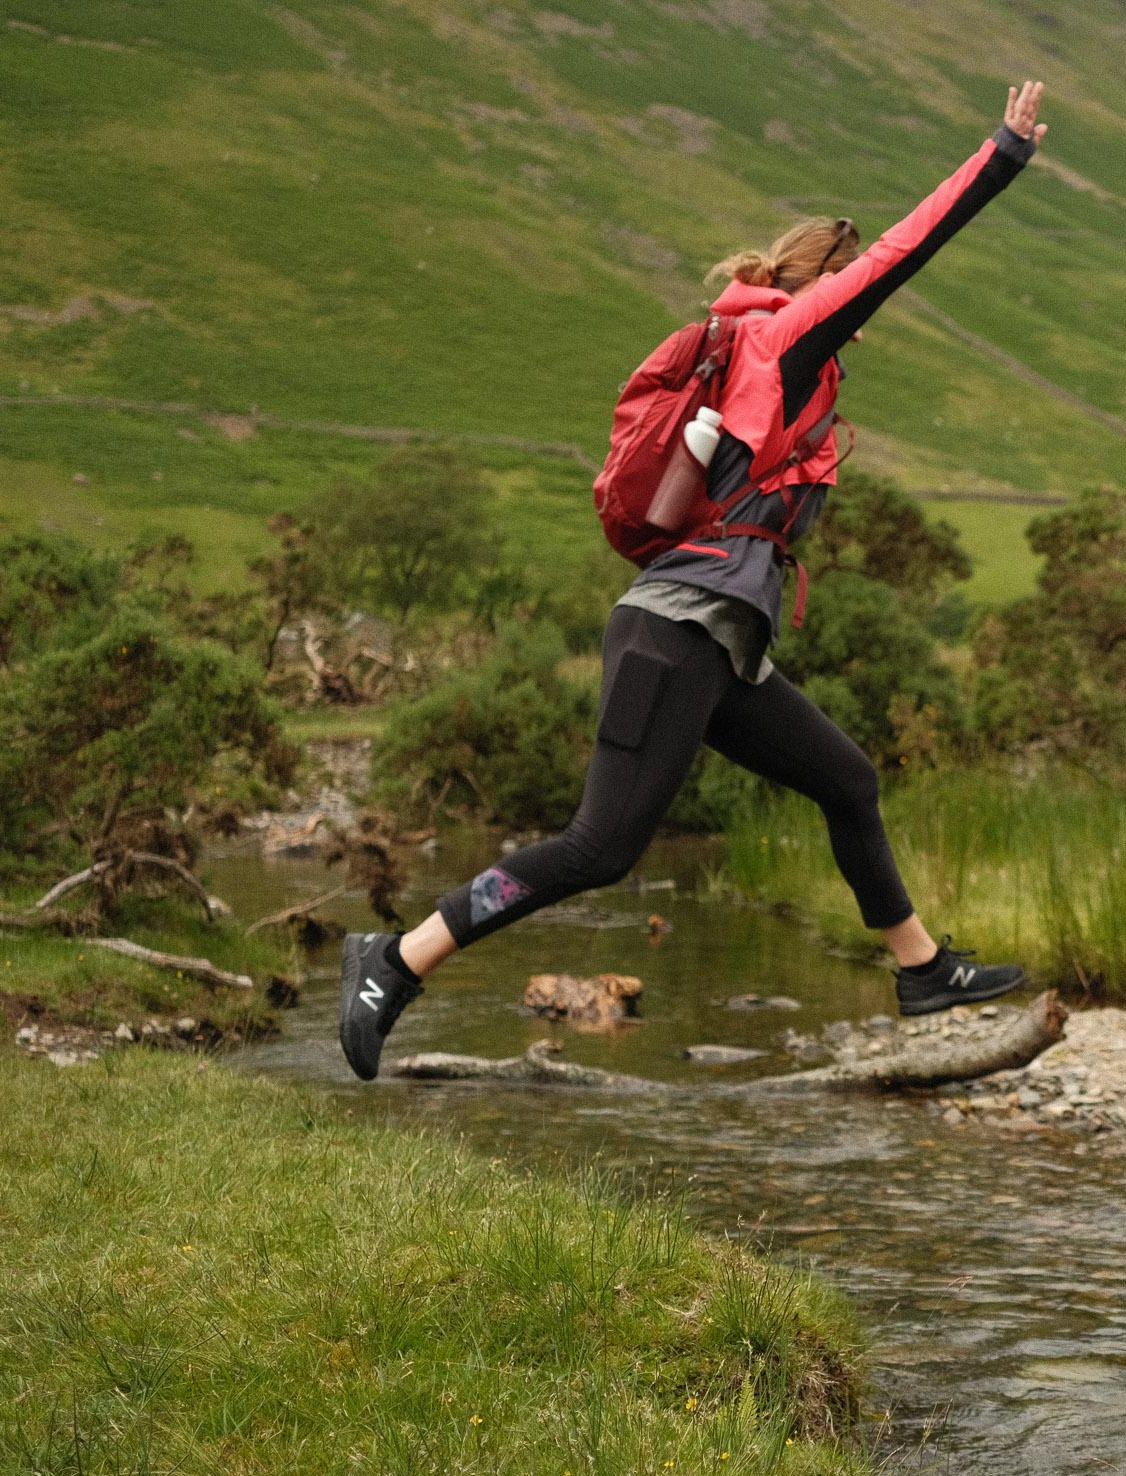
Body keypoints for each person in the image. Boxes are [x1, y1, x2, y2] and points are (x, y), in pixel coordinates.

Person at [338, 81, 1052, 1082]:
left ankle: (921, 968)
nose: (859, 308)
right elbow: (904, 249)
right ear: (823, 282)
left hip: (718, 645)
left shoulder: (767, 356)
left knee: (846, 778)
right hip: (673, 632)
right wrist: (1002, 155)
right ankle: (395, 961)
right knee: (599, 848)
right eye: (845, 286)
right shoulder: (785, 339)